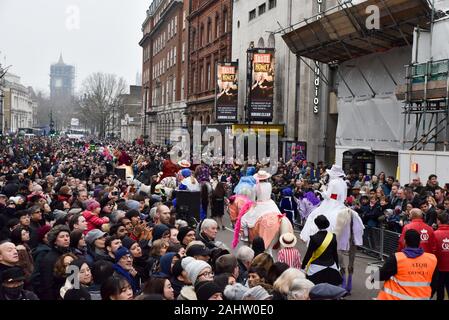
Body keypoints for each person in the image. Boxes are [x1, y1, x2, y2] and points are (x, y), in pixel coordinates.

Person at [375, 229, 437, 300]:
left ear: (404, 241)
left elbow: (380, 275)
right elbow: (434, 283)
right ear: (419, 242)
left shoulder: (397, 258)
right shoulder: (432, 259)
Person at [302, 215, 342, 286]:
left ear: (317, 225)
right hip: (331, 265)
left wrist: (303, 265)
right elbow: (335, 253)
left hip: (316, 267)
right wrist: (337, 265)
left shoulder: (314, 238)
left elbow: (309, 254)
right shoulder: (333, 237)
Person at [434, 212, 449, 300]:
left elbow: (433, 251)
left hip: (439, 267)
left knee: (440, 292)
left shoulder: (435, 234)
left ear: (439, 221)